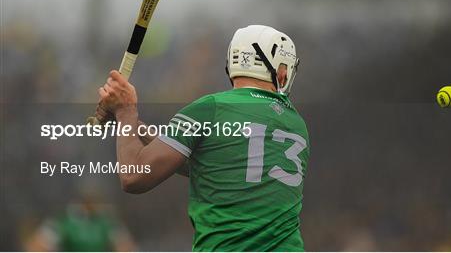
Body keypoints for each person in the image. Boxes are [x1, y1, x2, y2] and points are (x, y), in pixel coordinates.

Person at [97, 25, 309, 251]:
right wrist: (131, 126)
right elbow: (213, 165)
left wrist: (125, 111)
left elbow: (134, 177)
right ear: (281, 70)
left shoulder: (211, 108)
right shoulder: (295, 123)